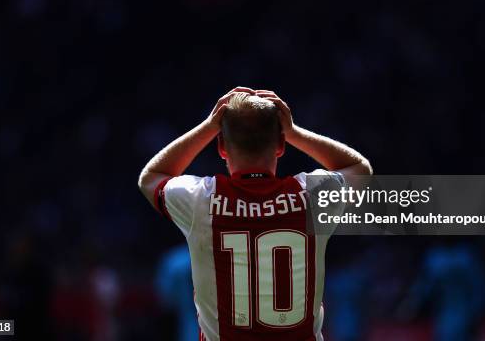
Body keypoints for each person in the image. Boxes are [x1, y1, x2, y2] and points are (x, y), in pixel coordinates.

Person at [138, 87, 372, 340]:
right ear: (281, 145)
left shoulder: (199, 199)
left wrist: (207, 126)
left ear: (222, 147)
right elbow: (359, 168)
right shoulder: (310, 196)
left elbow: (151, 178)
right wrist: (295, 132)